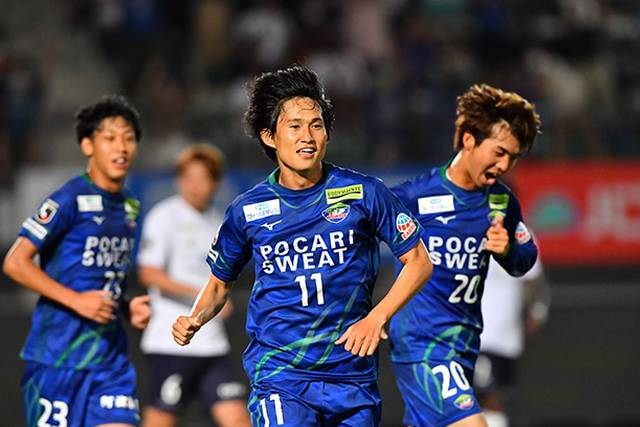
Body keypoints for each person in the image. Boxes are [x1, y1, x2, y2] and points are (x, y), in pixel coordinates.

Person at [172, 65, 433, 426]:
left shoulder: (364, 192)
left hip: (351, 376)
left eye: (316, 125)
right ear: (269, 136)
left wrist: (377, 317)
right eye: (294, 126)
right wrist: (195, 318)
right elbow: (219, 284)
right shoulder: (247, 210)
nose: (307, 137)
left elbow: (419, 260)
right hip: (281, 375)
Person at [388, 84, 541, 427]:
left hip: (465, 343)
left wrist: (508, 250)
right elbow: (359, 240)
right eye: (499, 152)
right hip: (423, 342)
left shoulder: (501, 201)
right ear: (469, 139)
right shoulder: (414, 196)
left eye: (513, 157)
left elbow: (526, 257)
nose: (504, 165)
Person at [2, 95, 151, 427]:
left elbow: (104, 274)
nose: (121, 147)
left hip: (110, 361)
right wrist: (76, 300)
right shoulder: (68, 198)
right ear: (87, 145)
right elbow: (15, 262)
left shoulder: (129, 204)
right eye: (110, 138)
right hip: (57, 359)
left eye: (129, 138)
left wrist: (126, 306)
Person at [137, 144, 250, 427]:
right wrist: (204, 298)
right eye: (188, 177)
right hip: (171, 343)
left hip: (212, 344)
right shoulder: (164, 216)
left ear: (216, 182)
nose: (195, 186)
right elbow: (149, 273)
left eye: (203, 178)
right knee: (160, 420)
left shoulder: (218, 221)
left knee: (238, 418)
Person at [474, 257, 550, 427]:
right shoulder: (462, 239)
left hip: (506, 339)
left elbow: (534, 280)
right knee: (481, 397)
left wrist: (537, 311)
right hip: (475, 334)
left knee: (497, 397)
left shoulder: (519, 240)